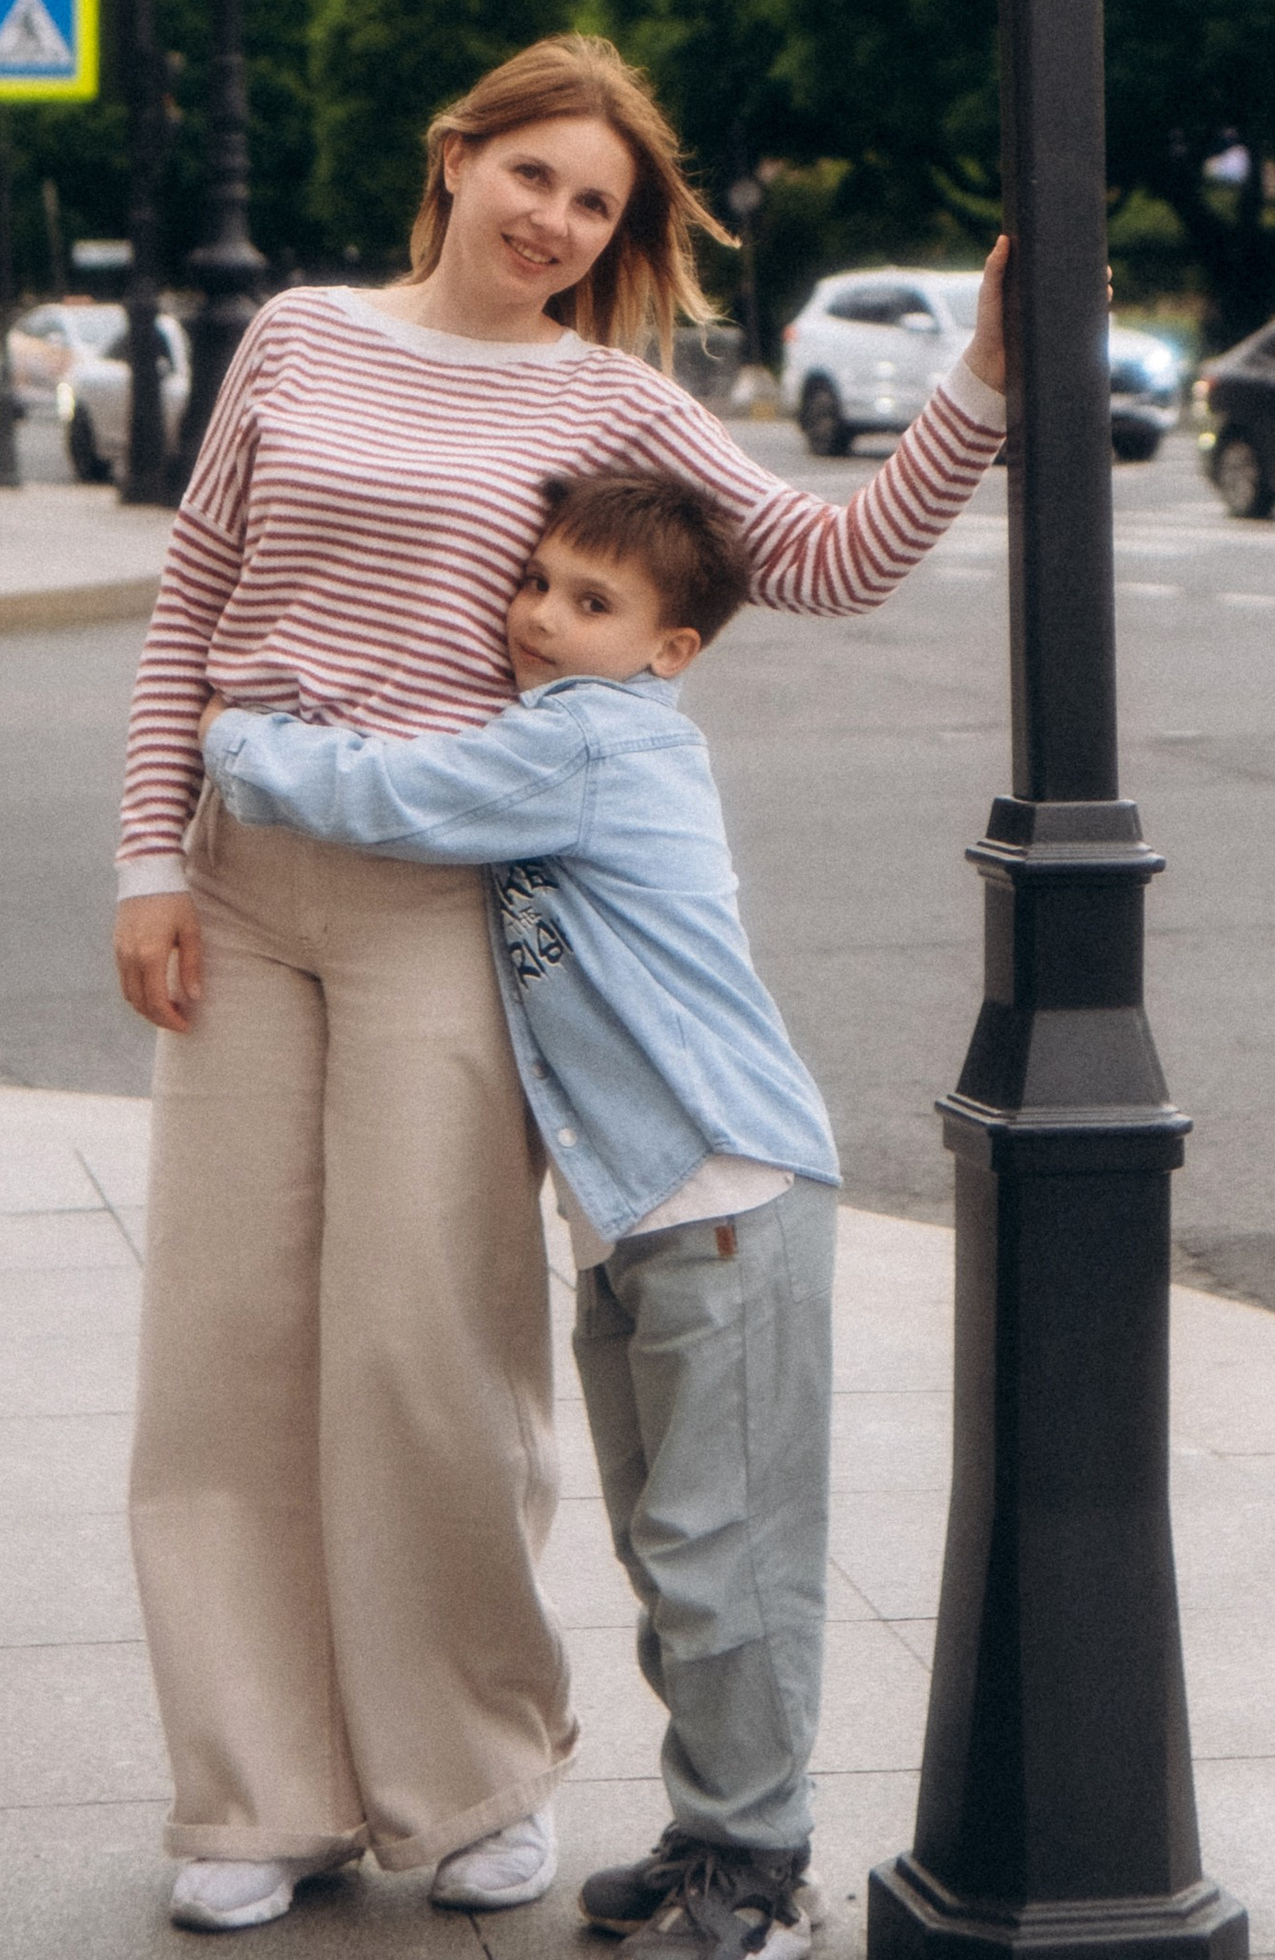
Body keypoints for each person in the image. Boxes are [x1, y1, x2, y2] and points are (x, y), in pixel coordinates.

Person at [114, 32, 1008, 1939]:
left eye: (597, 204)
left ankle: (470, 1777)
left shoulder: (611, 404)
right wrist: (141, 859)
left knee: (428, 1351)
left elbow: (819, 561)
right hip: (244, 886)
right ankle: (256, 1795)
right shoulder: (295, 338)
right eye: (535, 175)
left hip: (448, 900)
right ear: (457, 158)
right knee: (225, 1344)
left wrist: (982, 384)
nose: (559, 220)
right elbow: (194, 603)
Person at [199, 465, 837, 1960]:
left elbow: (391, 795)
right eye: (538, 581)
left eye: (592, 601)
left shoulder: (595, 741)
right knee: (670, 1544)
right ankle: (711, 1829)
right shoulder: (566, 728)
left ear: (670, 651)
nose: (542, 617)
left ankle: (763, 1871)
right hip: (648, 1212)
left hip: (723, 1194)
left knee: (724, 1550)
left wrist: (235, 736)